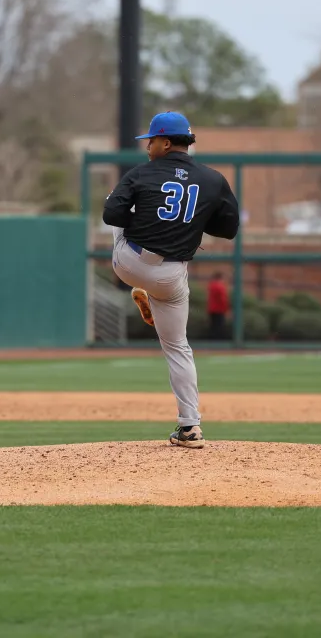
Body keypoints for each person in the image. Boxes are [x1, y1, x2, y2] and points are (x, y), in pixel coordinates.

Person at [103, 112, 240, 449]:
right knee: (178, 347)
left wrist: (145, 214)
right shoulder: (212, 179)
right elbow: (228, 229)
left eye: (151, 140)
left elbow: (111, 215)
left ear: (165, 142)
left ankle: (140, 288)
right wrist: (190, 220)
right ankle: (190, 426)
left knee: (116, 210)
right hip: (171, 276)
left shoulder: (140, 173)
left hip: (129, 262)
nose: (147, 146)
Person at [206, 272, 230, 340]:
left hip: (212, 308)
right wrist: (226, 308)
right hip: (219, 309)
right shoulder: (220, 286)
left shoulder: (211, 285)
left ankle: (212, 339)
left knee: (213, 325)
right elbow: (223, 299)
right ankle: (218, 340)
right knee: (219, 325)